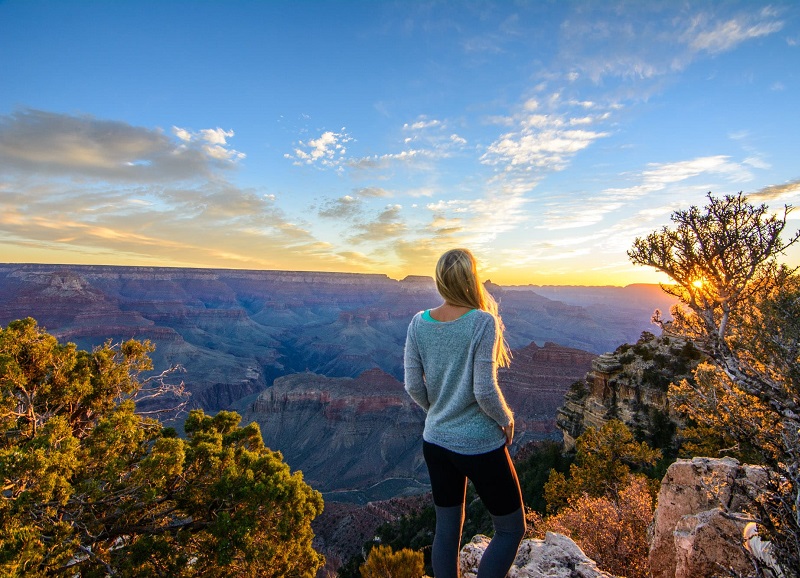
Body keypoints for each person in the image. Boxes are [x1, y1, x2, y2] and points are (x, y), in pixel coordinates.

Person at [404, 248, 525, 578]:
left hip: (436, 442)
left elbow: (413, 385)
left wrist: (438, 412)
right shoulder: (482, 322)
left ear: (441, 279)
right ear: (471, 279)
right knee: (511, 529)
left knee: (446, 530)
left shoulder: (418, 322)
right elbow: (484, 390)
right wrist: (506, 419)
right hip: (479, 444)